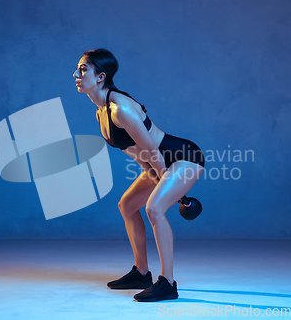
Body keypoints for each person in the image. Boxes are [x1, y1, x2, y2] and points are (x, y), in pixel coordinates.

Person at [73, 49, 204, 302]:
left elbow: (152, 150)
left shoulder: (119, 109)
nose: (77, 75)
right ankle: (141, 273)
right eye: (77, 70)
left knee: (154, 209)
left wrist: (163, 178)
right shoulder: (101, 110)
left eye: (83, 70)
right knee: (128, 205)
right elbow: (137, 153)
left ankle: (168, 283)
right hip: (156, 162)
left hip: (183, 157)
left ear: (100, 77)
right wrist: (154, 175)